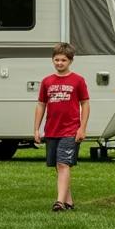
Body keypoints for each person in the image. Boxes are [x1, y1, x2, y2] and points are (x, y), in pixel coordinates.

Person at [33, 42, 90, 212]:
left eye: (63, 60)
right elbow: (41, 105)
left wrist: (82, 128)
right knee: (58, 167)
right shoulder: (47, 81)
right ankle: (69, 202)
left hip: (70, 130)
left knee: (63, 165)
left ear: (70, 61)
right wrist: (36, 128)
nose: (59, 63)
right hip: (52, 130)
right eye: (56, 60)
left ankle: (58, 202)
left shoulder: (78, 80)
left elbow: (85, 104)